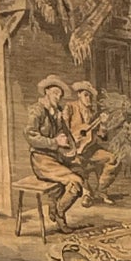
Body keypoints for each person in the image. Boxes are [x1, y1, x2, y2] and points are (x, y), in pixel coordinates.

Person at [25, 77, 84, 231]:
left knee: (80, 171)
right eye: (55, 93)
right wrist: (54, 142)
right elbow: (31, 136)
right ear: (47, 92)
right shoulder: (36, 110)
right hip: (41, 159)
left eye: (60, 95)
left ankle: (55, 209)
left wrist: (72, 143)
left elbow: (65, 135)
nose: (58, 97)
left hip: (56, 157)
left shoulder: (57, 113)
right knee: (75, 182)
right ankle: (59, 212)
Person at [65, 80, 119, 204]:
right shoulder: (70, 108)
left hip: (91, 150)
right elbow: (61, 128)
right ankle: (86, 193)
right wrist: (71, 138)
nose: (88, 98)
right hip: (73, 150)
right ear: (79, 94)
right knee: (77, 164)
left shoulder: (94, 114)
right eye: (85, 95)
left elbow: (102, 136)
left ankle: (101, 190)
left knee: (112, 158)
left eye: (90, 96)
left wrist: (104, 124)